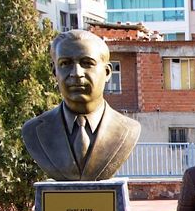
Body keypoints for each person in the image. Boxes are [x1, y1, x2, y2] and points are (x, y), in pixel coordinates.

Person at [23, 29, 141, 181]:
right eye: (65, 63)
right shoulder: (34, 130)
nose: (76, 73)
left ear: (107, 72)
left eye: (87, 63)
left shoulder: (128, 129)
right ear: (54, 72)